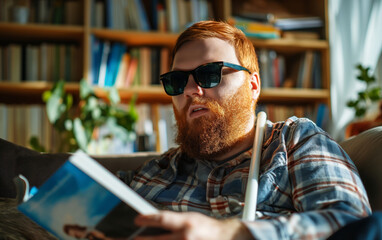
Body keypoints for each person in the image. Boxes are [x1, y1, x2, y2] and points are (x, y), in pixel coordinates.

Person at [129, 20, 371, 240]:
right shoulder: (156, 171)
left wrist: (232, 233)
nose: (190, 90)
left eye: (209, 74)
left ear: (253, 86)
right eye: (177, 81)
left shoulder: (295, 141)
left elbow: (351, 223)